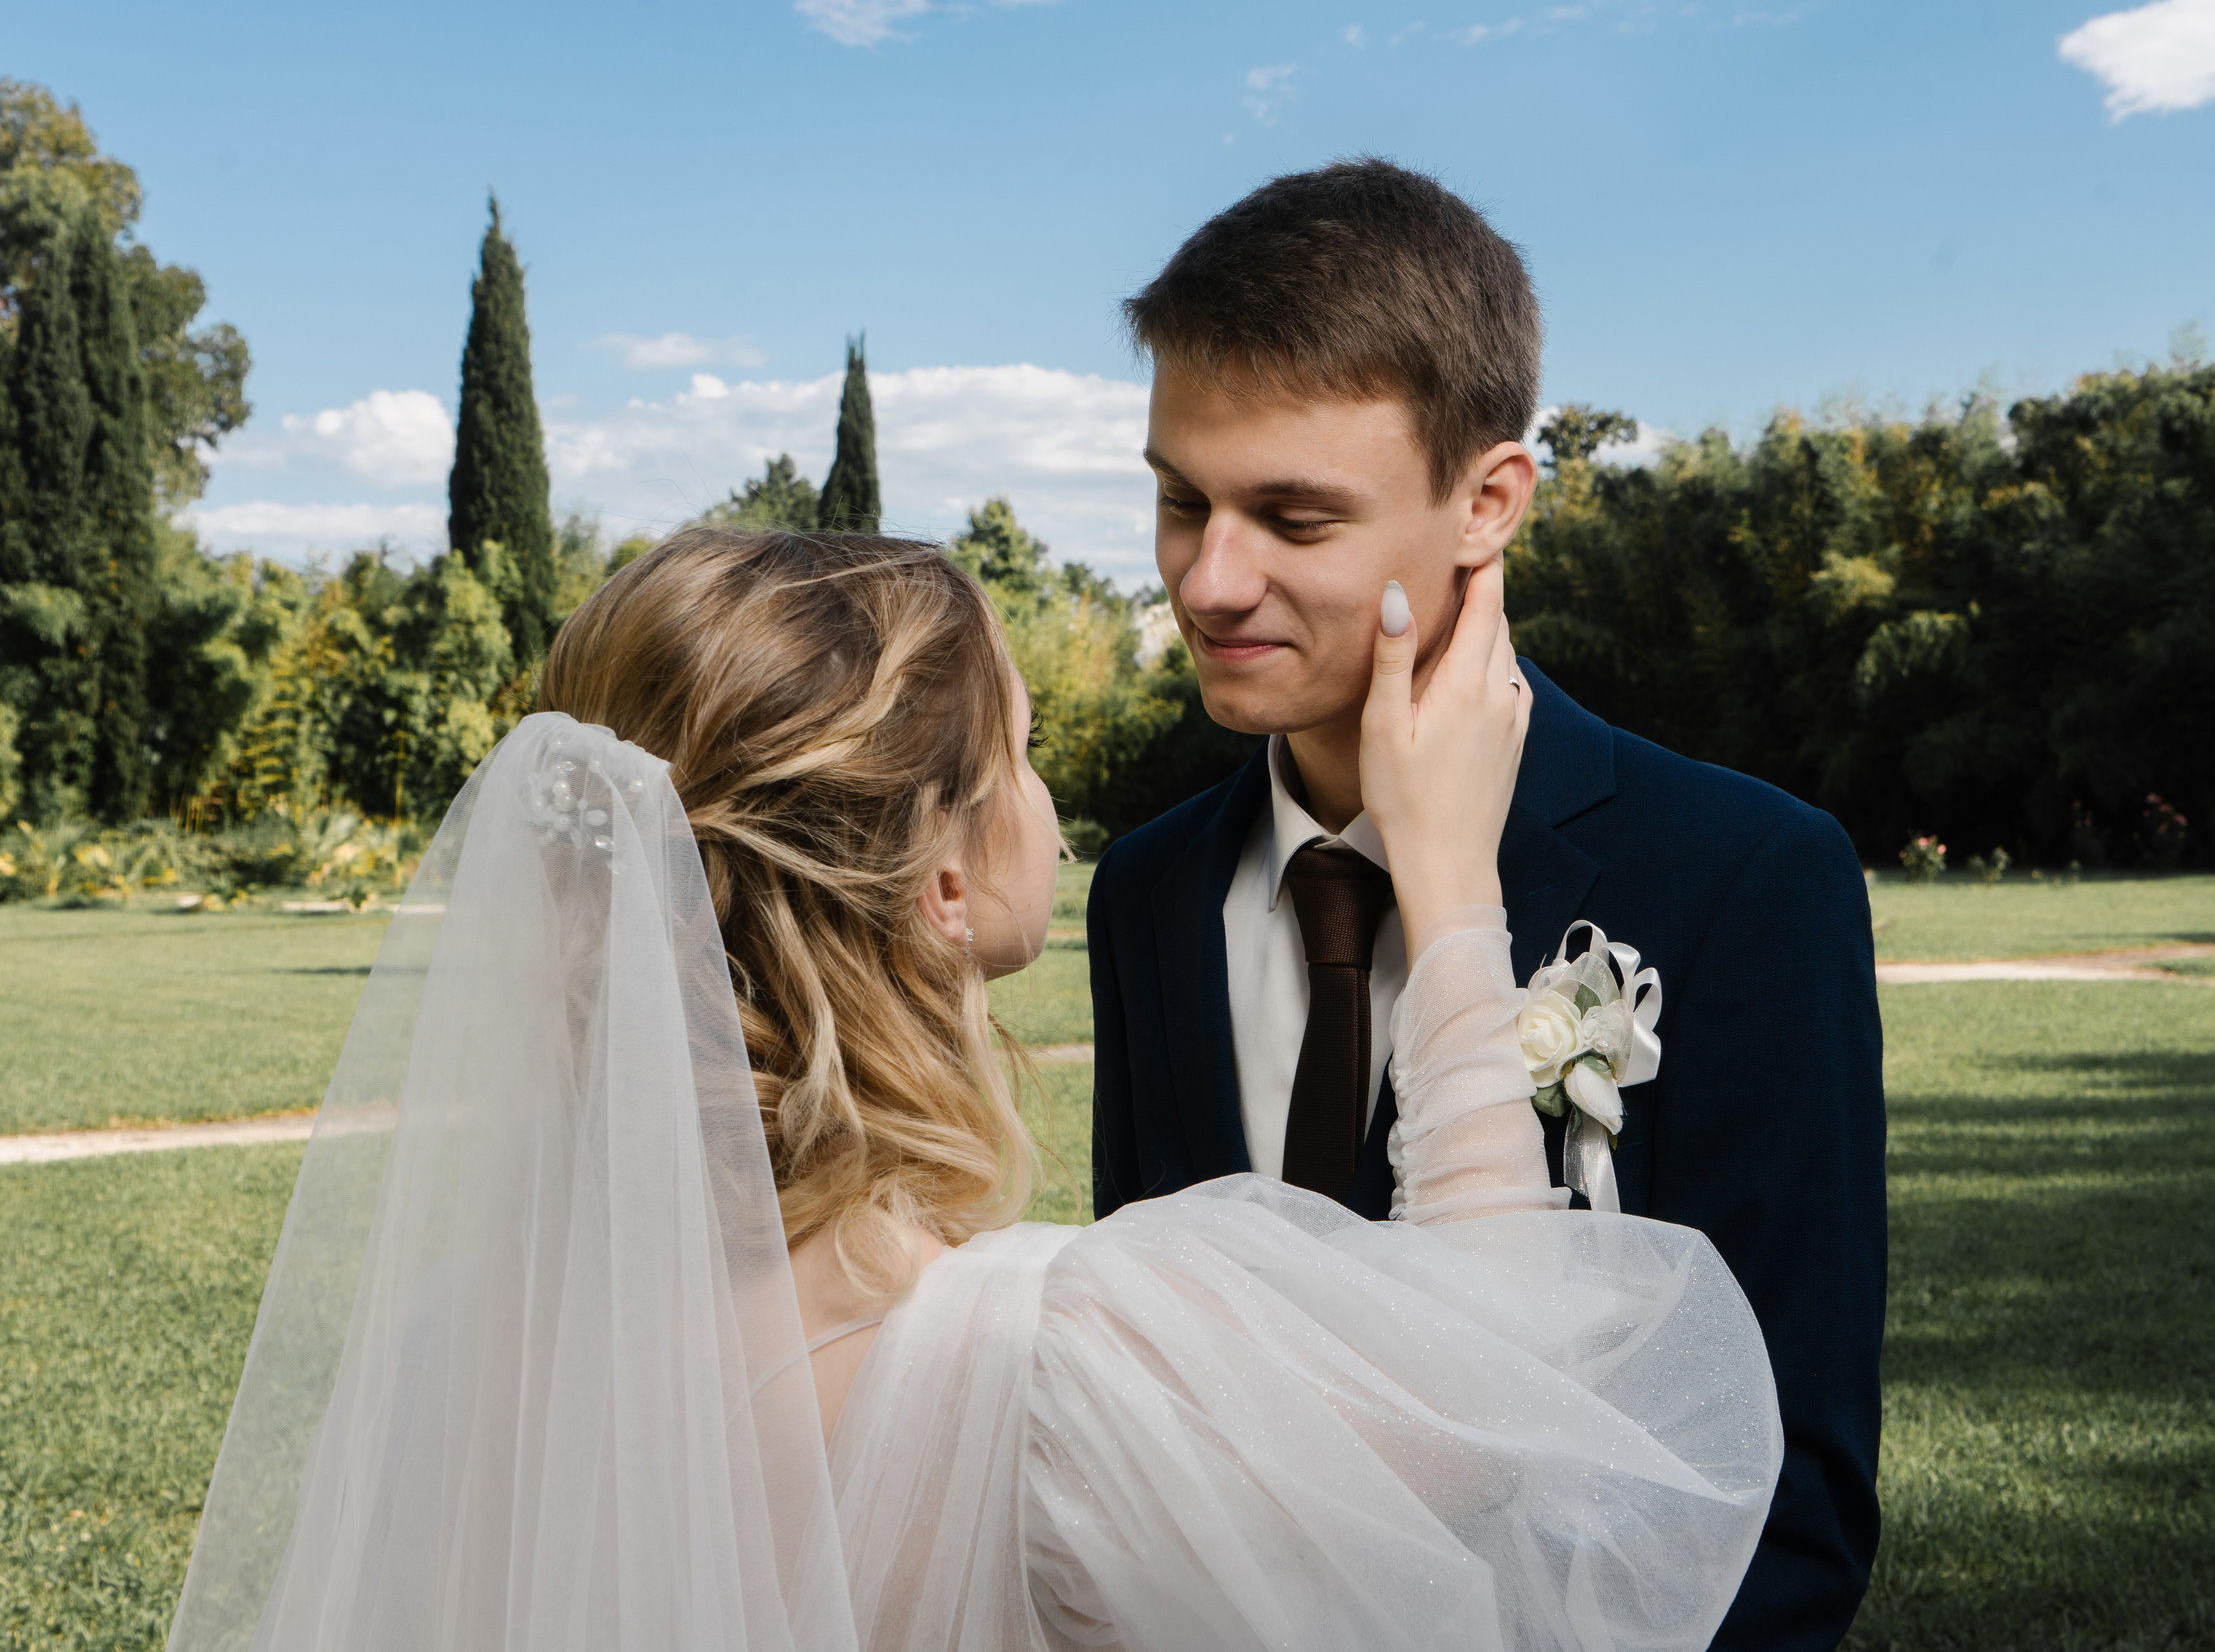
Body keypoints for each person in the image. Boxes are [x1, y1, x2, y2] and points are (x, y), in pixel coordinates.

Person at [167, 526, 1780, 1652]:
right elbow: (1508, 1426)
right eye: (1021, 747)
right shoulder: (1053, 1368)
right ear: (944, 882)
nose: (1051, 801)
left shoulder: (470, 1345)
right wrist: (1450, 877)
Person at [1087, 160, 1885, 1648]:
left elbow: (1793, 1513)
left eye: (1294, 518)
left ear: (1488, 503)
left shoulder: (1747, 877)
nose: (1206, 581)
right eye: (1181, 500)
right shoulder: (1147, 891)